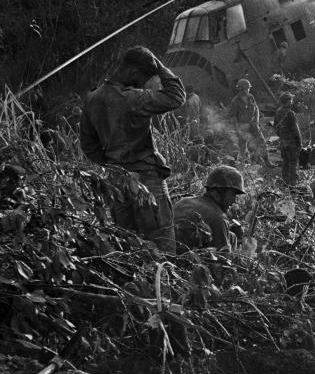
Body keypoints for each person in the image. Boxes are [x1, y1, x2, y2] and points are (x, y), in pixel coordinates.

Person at [79, 45, 185, 254]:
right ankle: (163, 284)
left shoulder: (92, 99)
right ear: (133, 72)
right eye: (142, 79)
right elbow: (176, 96)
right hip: (147, 180)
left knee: (127, 245)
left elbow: (89, 147)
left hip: (117, 183)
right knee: (162, 244)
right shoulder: (133, 98)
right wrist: (159, 64)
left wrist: (114, 165)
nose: (143, 84)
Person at [173, 165, 245, 252]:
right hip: (186, 261)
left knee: (232, 236)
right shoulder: (218, 217)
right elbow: (223, 261)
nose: (234, 200)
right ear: (219, 192)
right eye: (232, 194)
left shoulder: (183, 202)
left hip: (166, 252)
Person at [227, 78, 272, 165]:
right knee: (243, 146)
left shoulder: (251, 97)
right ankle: (244, 164)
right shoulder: (235, 101)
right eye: (247, 88)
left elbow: (256, 109)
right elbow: (233, 117)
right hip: (242, 125)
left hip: (253, 124)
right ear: (241, 89)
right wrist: (238, 129)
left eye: (248, 88)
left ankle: (266, 161)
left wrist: (256, 121)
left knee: (261, 142)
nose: (249, 89)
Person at [274, 91, 302, 185]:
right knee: (293, 162)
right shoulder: (290, 113)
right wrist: (299, 142)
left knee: (285, 162)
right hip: (292, 142)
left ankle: (285, 183)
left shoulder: (278, 112)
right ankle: (294, 184)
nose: (292, 101)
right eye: (291, 99)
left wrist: (282, 136)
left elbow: (275, 127)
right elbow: (295, 129)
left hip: (283, 142)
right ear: (287, 101)